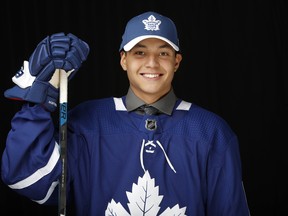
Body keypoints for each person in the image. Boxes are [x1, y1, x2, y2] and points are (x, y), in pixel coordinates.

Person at [1, 11, 250, 216]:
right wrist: (41, 98)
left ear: (176, 61)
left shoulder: (211, 131)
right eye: (140, 52)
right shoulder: (88, 122)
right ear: (124, 60)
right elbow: (25, 178)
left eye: (163, 53)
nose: (152, 63)